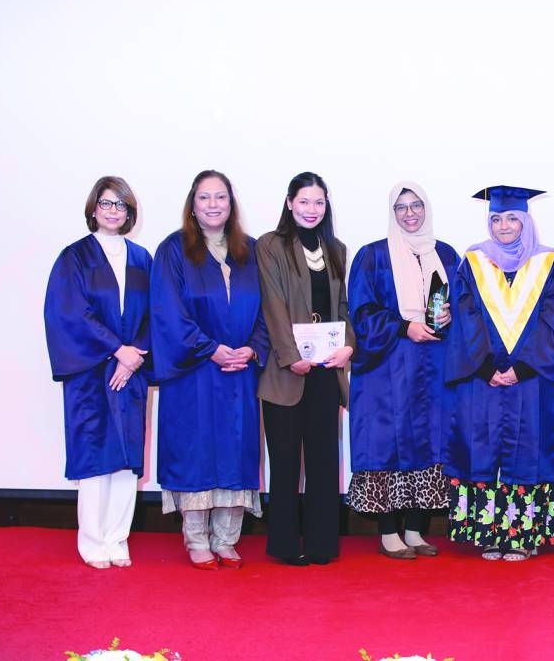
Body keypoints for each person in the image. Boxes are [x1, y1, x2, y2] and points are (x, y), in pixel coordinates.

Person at [150, 170, 269, 571]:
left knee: (236, 449)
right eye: (205, 198)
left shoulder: (251, 250)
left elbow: (270, 309)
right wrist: (211, 349)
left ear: (231, 203)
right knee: (197, 449)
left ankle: (227, 538)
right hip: (195, 372)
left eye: (221, 197)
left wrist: (253, 349)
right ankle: (197, 539)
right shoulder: (173, 250)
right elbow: (168, 312)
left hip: (240, 372)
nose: (213, 205)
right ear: (193, 204)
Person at [444, 185, 554, 561]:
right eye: (496, 218)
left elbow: (553, 318)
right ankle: (489, 534)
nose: (504, 225)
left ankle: (523, 537)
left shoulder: (546, 263)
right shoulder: (473, 261)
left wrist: (522, 367)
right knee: (484, 444)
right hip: (484, 379)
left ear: (526, 221)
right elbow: (465, 316)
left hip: (530, 379)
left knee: (527, 448)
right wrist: (486, 366)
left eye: (512, 218)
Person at [346, 181, 459, 559]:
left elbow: (464, 306)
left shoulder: (445, 254)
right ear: (392, 213)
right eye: (401, 207)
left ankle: (415, 529)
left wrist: (449, 315)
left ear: (426, 209)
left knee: (429, 442)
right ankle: (388, 531)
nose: (410, 214)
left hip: (434, 364)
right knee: (389, 442)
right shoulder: (373, 256)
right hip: (389, 364)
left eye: (416, 206)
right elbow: (361, 312)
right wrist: (403, 326)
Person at [43, 176, 151, 569]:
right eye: (106, 204)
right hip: (91, 372)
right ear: (93, 209)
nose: (112, 211)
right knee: (93, 456)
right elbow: (69, 313)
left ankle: (117, 537)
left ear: (129, 213)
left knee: (126, 458)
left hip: (131, 371)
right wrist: (116, 349)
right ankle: (92, 539)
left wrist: (134, 355)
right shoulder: (75, 257)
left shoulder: (142, 259)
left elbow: (155, 314)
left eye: (120, 205)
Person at [257, 172, 354, 566]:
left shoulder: (337, 248)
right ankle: (283, 544)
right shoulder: (271, 245)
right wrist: (289, 354)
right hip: (286, 371)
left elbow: (343, 307)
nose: (311, 210)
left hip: (326, 369)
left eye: (319, 202)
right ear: (289, 203)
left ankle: (321, 544)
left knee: (323, 461)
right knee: (283, 462)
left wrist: (348, 345)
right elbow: (272, 304)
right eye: (304, 202)